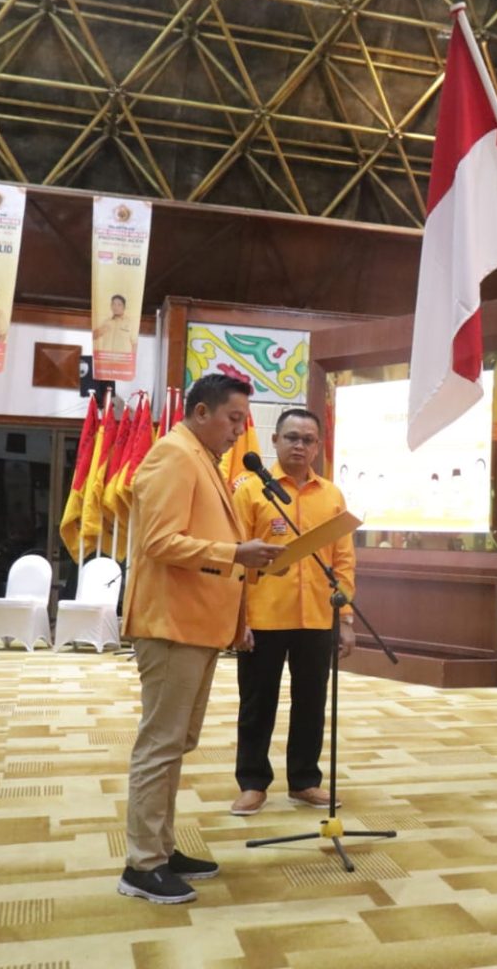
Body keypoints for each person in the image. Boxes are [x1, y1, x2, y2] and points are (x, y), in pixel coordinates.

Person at [119, 374, 284, 904]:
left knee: (176, 743)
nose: (241, 430)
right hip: (170, 624)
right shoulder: (174, 455)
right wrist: (236, 554)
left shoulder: (202, 460)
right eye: (233, 419)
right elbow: (160, 541)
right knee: (160, 744)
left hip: (197, 625)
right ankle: (141, 866)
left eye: (244, 420)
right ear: (199, 411)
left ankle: (161, 849)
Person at [229, 409, 356, 817]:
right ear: (275, 441)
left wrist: (347, 618)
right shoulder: (250, 490)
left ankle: (304, 781)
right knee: (256, 704)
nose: (299, 446)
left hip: (318, 616)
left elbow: (344, 560)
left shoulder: (332, 495)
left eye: (308, 439)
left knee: (311, 702)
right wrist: (239, 618)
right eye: (291, 438)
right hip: (263, 617)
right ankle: (252, 783)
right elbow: (235, 559)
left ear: (318, 445)